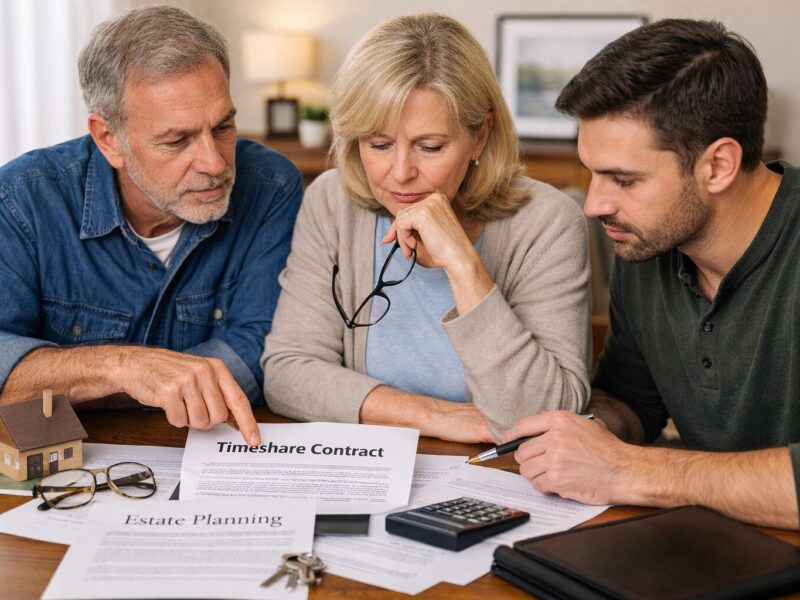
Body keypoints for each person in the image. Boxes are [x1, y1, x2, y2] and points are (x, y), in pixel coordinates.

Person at [506, 19, 800, 529]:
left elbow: (632, 464)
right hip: (711, 545)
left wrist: (629, 470)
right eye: (591, 173)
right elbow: (632, 402)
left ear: (718, 166)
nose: (594, 205)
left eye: (624, 180)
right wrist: (578, 433)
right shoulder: (647, 246)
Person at [262, 13, 591, 443]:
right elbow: (287, 371)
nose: (400, 173)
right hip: (373, 462)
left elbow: (549, 413)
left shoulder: (547, 222)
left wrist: (464, 267)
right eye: (378, 145)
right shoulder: (332, 200)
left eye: (430, 146)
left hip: (503, 474)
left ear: (480, 136)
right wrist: (431, 416)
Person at [0, 6, 303, 447]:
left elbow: (266, 348)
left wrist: (64, 380)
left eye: (223, 126)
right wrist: (122, 367)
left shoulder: (272, 185)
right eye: (177, 140)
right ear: (108, 139)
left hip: (214, 459)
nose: (215, 163)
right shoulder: (22, 200)